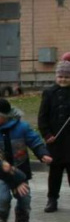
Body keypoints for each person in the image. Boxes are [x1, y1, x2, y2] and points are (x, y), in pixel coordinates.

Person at [0, 98, 51, 222]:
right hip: (0, 172)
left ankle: (22, 219)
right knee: (3, 198)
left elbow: (35, 141)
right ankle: (2, 215)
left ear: (5, 115)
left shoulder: (22, 127)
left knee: (24, 198)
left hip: (20, 171)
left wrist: (43, 154)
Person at [38, 60, 70, 213]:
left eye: (67, 77)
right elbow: (42, 117)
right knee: (55, 173)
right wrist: (47, 134)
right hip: (55, 141)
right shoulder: (49, 93)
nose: (63, 79)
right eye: (60, 76)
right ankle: (52, 199)